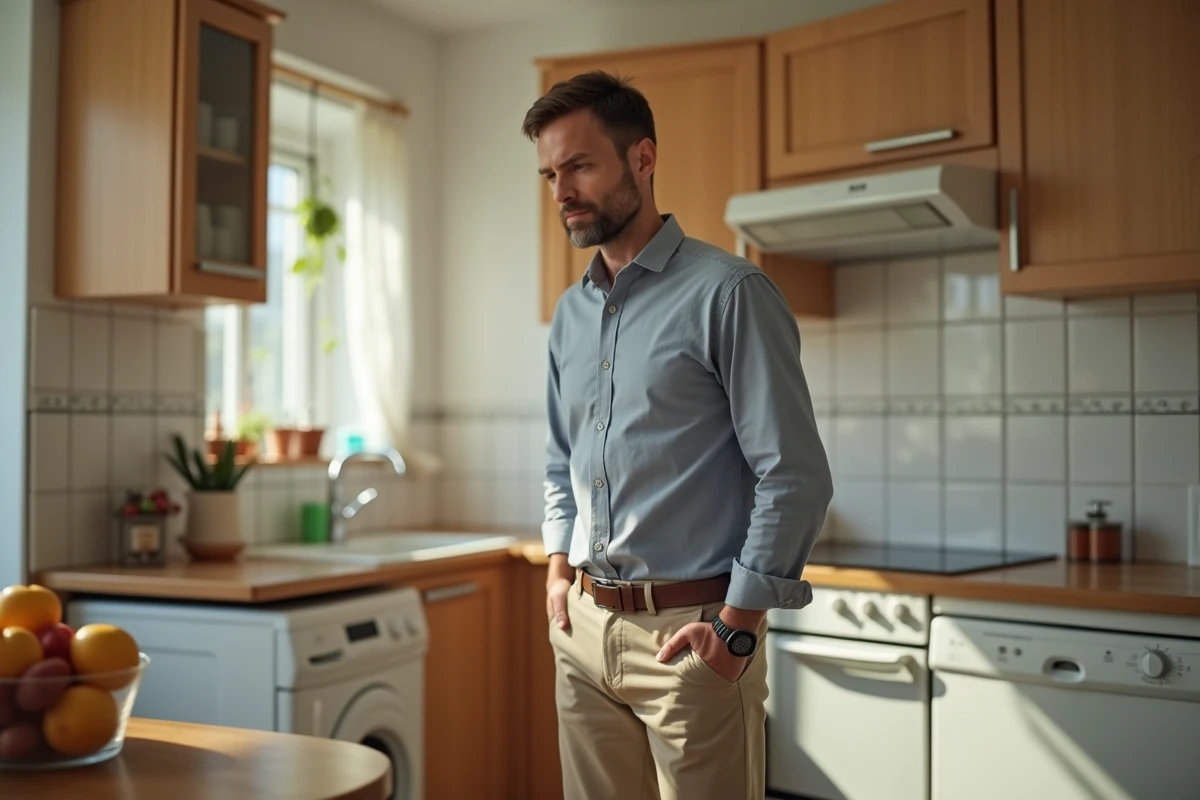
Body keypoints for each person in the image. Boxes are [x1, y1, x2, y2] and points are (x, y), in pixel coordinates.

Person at [522, 70, 833, 800]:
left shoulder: (729, 293)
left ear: (643, 159)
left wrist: (735, 630)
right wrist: (557, 563)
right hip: (584, 632)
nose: (561, 190)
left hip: (693, 636)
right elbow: (560, 459)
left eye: (579, 166)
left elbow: (794, 477)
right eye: (549, 173)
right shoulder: (571, 314)